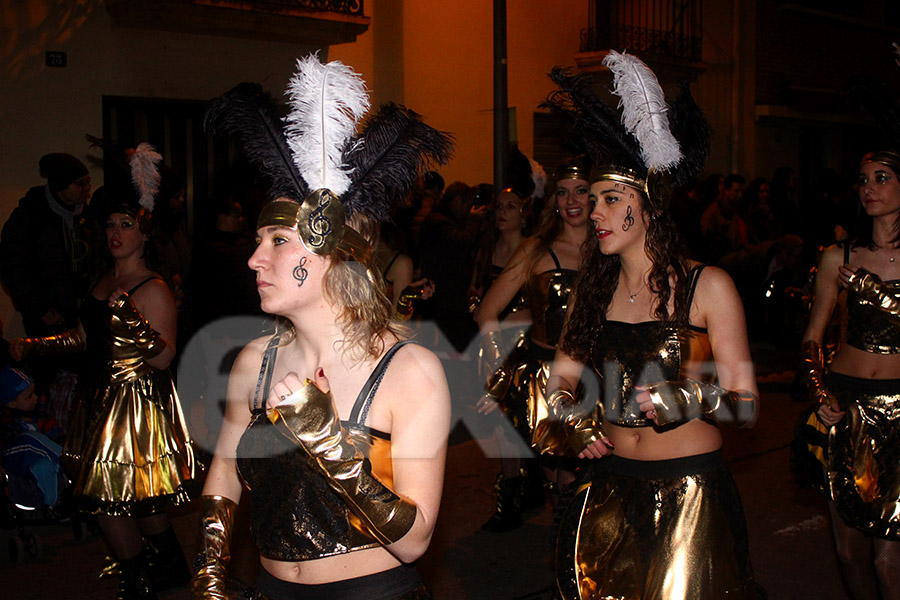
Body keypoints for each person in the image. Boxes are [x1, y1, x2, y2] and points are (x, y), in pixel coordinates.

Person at [196, 57, 453, 599]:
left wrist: (329, 443)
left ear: (332, 255)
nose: (255, 259)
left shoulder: (411, 371)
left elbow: (415, 542)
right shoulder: (254, 359)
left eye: (277, 241)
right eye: (258, 240)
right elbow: (223, 472)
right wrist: (212, 571)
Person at [538, 52, 763, 599]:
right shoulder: (594, 289)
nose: (595, 213)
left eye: (611, 200)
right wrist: (573, 421)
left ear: (650, 205)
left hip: (692, 490)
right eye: (593, 201)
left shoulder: (708, 286)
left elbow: (747, 405)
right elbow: (559, 378)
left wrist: (687, 398)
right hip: (609, 489)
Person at [10, 144, 197, 600]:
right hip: (98, 400)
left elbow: (164, 358)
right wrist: (31, 345)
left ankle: (138, 582)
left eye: (126, 225)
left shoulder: (153, 288)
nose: (116, 233)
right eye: (111, 225)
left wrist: (132, 319)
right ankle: (170, 568)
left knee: (109, 500)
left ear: (144, 234)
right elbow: (81, 338)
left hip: (133, 407)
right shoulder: (101, 280)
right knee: (137, 497)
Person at [799, 148, 900, 599]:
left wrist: (872, 291)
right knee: (850, 553)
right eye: (863, 179)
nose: (869, 188)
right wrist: (819, 389)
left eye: (882, 177)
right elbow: (812, 337)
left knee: (888, 561)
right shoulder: (838, 256)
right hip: (847, 407)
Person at [474, 155, 591, 529]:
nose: (572, 201)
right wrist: (497, 378)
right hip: (548, 382)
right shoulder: (536, 250)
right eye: (562, 192)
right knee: (565, 485)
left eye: (582, 191)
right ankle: (571, 571)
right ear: (553, 199)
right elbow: (486, 313)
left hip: (605, 378)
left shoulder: (615, 249)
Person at [0, 152, 92, 338]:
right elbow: (13, 269)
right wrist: (40, 308)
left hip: (83, 317)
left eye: (87, 182)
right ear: (61, 186)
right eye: (80, 183)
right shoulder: (28, 218)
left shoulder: (90, 217)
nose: (86, 188)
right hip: (46, 320)